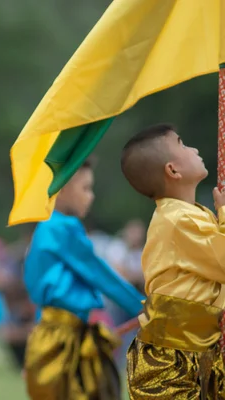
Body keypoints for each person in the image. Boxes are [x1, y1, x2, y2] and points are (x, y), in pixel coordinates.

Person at [24, 158, 145, 399]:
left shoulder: (45, 227)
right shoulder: (63, 228)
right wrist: (143, 307)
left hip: (49, 333)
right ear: (63, 189)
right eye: (85, 188)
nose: (91, 197)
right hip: (65, 338)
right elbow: (98, 273)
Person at [122, 124, 225, 399]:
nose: (194, 149)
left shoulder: (195, 215)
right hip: (170, 357)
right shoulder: (177, 220)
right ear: (173, 170)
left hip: (199, 349)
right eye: (183, 144)